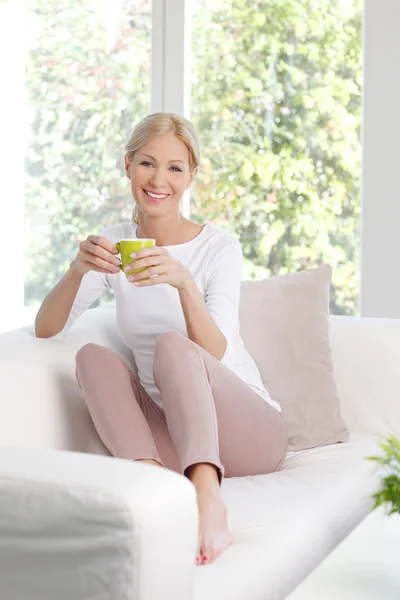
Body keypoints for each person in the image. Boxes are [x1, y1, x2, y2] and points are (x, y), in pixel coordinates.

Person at [34, 112, 288, 566]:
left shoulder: (217, 247)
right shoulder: (115, 245)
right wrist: (77, 270)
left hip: (250, 432)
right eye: (147, 164)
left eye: (174, 168)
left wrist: (184, 283)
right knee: (92, 357)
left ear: (191, 176)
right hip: (177, 435)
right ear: (128, 165)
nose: (159, 180)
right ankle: (153, 493)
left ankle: (208, 500)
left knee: (174, 344)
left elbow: (217, 351)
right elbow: (47, 327)